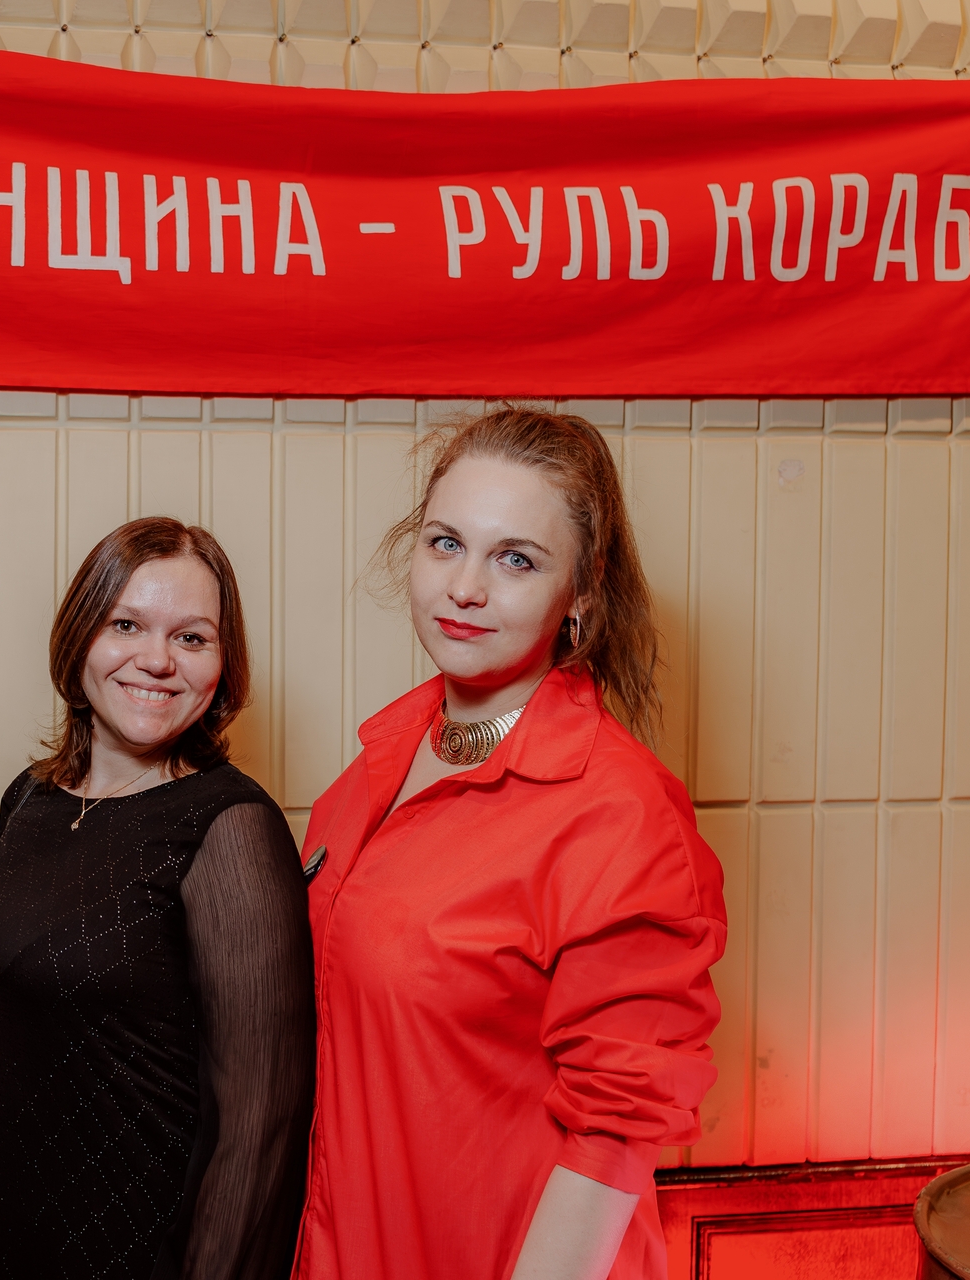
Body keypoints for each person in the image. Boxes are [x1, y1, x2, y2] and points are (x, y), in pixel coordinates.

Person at [294, 407, 728, 1280]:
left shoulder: (618, 813)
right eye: (446, 543)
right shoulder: (375, 766)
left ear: (584, 592)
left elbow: (613, 1135)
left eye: (516, 560)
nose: (465, 588)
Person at [0, 516, 314, 1280]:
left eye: (192, 637)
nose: (157, 659)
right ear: (79, 637)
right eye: (126, 624)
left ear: (223, 664)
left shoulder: (232, 829)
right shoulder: (32, 798)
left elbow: (261, 1132)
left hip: (120, 1254)